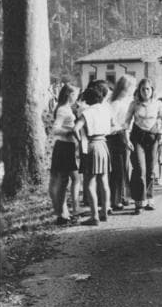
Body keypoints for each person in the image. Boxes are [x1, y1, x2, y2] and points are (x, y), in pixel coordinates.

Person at [124, 78, 162, 214]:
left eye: (148, 89)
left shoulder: (158, 104)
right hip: (137, 138)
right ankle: (139, 201)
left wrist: (161, 132)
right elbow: (126, 122)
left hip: (153, 138)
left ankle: (149, 198)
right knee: (139, 169)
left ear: (152, 90)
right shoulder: (134, 104)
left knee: (150, 170)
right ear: (139, 90)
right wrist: (126, 138)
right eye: (143, 89)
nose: (145, 92)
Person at [73, 81, 113, 226]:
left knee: (89, 182)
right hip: (103, 144)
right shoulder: (106, 110)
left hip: (90, 145)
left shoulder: (87, 112)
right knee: (104, 181)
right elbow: (111, 127)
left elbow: (75, 129)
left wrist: (80, 141)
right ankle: (105, 211)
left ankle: (94, 216)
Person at [48, 83, 81, 225]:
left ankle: (68, 212)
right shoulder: (63, 110)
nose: (77, 97)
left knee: (72, 179)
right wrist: (70, 132)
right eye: (75, 94)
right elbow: (55, 129)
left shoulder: (66, 108)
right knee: (64, 181)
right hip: (64, 146)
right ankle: (62, 215)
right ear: (69, 94)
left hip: (68, 146)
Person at [107, 75, 136, 211]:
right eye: (132, 86)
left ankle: (123, 197)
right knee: (117, 171)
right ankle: (115, 200)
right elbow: (110, 125)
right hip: (116, 137)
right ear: (126, 88)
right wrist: (122, 128)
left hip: (125, 136)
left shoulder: (127, 102)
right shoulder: (115, 104)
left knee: (125, 169)